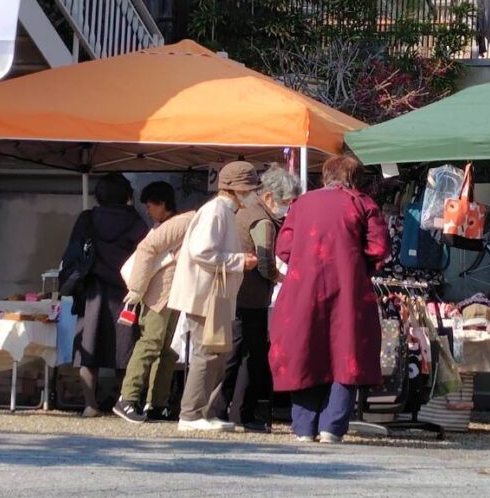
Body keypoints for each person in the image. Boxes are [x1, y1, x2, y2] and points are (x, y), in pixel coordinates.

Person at [269, 154, 390, 443]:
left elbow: (283, 248)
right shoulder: (362, 203)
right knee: (346, 354)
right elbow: (379, 249)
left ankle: (303, 427)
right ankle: (331, 427)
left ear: (325, 175)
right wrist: (358, 267)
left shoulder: (301, 204)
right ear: (354, 178)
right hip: (348, 289)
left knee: (305, 350)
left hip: (303, 289)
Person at [166, 161, 260, 432]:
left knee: (216, 353)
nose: (252, 194)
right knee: (208, 353)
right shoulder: (216, 212)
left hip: (212, 293)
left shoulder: (222, 211)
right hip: (204, 294)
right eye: (249, 189)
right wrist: (240, 261)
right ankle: (191, 414)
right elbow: (201, 251)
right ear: (236, 190)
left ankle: (202, 412)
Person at [208, 165, 300, 432]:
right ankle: (241, 412)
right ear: (269, 196)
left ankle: (221, 409)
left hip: (234, 292)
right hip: (251, 297)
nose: (287, 208)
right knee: (249, 356)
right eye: (285, 202)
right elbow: (265, 260)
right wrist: (278, 277)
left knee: (232, 353)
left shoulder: (242, 212)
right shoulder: (262, 220)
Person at [62, 173, 148, 417]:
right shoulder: (136, 222)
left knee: (89, 346)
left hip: (92, 290)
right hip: (125, 291)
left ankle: (90, 405)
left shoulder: (88, 218)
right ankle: (126, 402)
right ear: (127, 195)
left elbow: (73, 252)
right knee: (126, 348)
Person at [112, 183, 192, 424]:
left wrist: (137, 288)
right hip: (159, 293)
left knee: (165, 349)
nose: (147, 210)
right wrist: (136, 288)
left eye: (150, 205)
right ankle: (128, 398)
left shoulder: (174, 223)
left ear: (162, 204)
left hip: (168, 291)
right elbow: (147, 250)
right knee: (152, 343)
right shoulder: (179, 223)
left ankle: (157, 403)